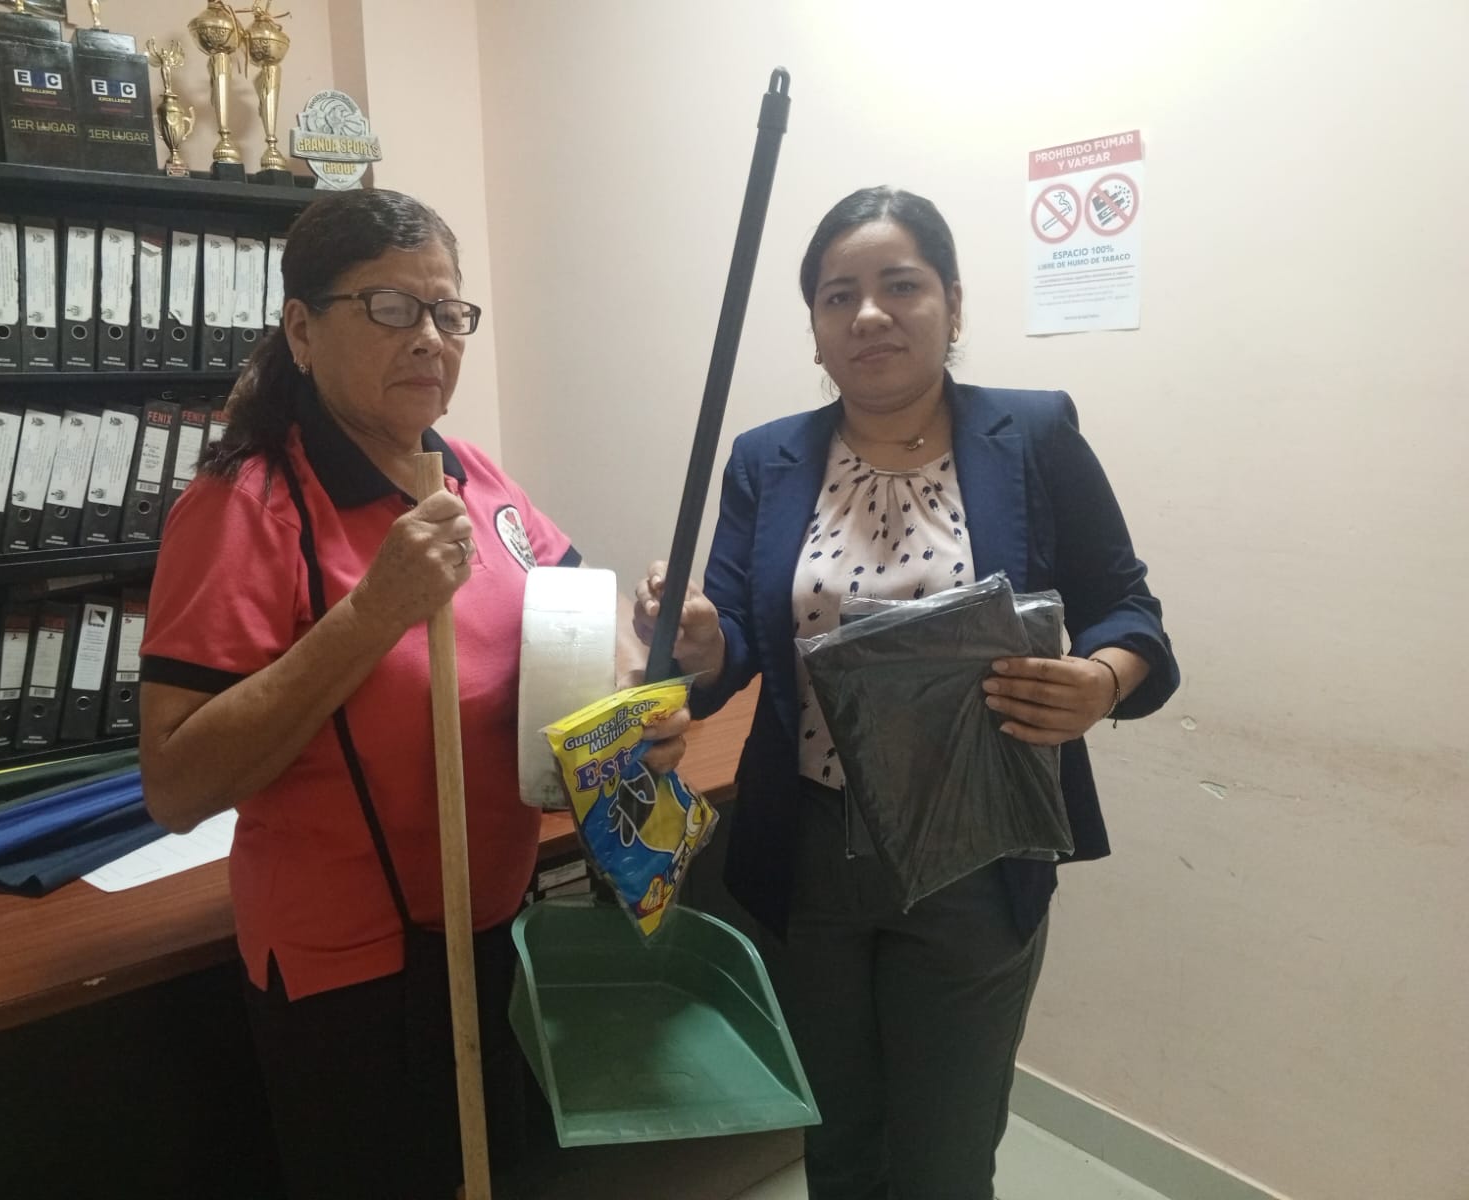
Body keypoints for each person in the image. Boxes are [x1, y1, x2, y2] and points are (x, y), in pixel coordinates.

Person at [138, 188, 687, 1200]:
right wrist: (371, 613)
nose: (429, 337)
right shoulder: (245, 505)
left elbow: (581, 600)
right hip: (347, 972)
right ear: (302, 330)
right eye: (389, 308)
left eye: (447, 311)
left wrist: (641, 673)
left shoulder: (466, 474)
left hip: (492, 928)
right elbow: (174, 784)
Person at [635, 186, 1180, 1200]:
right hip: (807, 846)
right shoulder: (766, 458)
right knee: (838, 1142)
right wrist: (703, 645)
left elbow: (1129, 610)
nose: (869, 315)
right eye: (838, 295)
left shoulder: (1033, 434)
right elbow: (738, 639)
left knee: (944, 1155)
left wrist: (1101, 681)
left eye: (900, 286)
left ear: (953, 304)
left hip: (976, 848)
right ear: (814, 326)